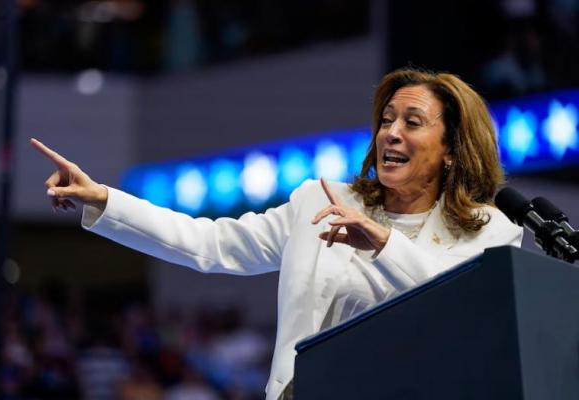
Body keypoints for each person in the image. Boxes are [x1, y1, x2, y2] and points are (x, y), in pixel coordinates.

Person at [31, 68, 523, 400]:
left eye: (412, 122)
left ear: (452, 150)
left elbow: (464, 318)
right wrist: (104, 200)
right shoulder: (323, 202)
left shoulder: (489, 231)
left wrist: (384, 243)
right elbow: (209, 244)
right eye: (387, 119)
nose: (390, 132)